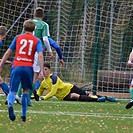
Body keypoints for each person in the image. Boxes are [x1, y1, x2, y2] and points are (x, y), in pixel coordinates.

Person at [16, 7, 64, 106]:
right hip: (36, 53)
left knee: (24, 74)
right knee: (34, 75)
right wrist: (50, 51)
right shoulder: (44, 25)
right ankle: (27, 99)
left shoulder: (28, 23)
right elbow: (46, 39)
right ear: (43, 16)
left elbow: (20, 37)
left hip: (25, 52)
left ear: (34, 14)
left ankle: (18, 96)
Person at [0, 19, 44, 122]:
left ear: (24, 28)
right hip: (28, 68)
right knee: (25, 91)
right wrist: (41, 70)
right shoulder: (37, 40)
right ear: (34, 29)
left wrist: (1, 64)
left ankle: (10, 104)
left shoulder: (18, 38)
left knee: (13, 91)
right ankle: (23, 116)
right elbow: (40, 55)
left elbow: (8, 53)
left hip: (17, 66)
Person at [34, 63, 116, 102]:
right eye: (43, 70)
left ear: (49, 70)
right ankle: (98, 100)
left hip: (70, 87)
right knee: (75, 96)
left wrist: (44, 98)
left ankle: (105, 97)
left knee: (87, 94)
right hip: (64, 96)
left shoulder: (54, 77)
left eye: (46, 69)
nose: (44, 71)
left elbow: (53, 92)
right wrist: (35, 96)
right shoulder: (43, 83)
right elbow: (40, 92)